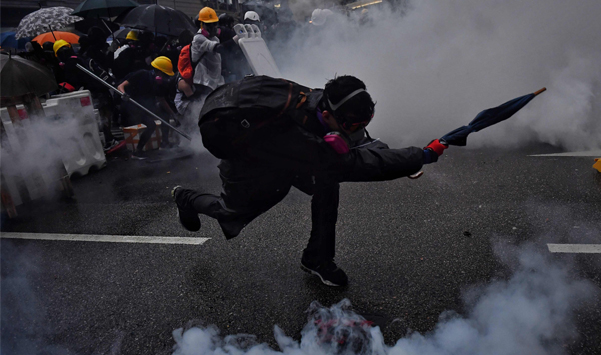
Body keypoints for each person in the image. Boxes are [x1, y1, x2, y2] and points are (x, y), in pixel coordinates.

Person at [171, 75, 448, 287]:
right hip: (247, 151)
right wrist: (418, 157)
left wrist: (391, 157)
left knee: (327, 184)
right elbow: (353, 164)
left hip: (271, 142)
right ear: (327, 116)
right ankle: (186, 198)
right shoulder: (297, 139)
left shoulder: (319, 100)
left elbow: (360, 142)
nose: (357, 131)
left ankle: (317, 258)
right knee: (233, 211)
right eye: (351, 126)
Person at [53, 40, 119, 150]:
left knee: (98, 118)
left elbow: (73, 82)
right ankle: (109, 138)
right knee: (105, 115)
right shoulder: (80, 58)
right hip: (102, 89)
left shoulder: (70, 64)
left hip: (92, 92)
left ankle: (106, 140)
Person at [117, 56, 179, 159]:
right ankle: (137, 152)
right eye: (164, 74)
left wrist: (173, 114)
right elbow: (120, 86)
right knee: (151, 125)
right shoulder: (142, 74)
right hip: (132, 105)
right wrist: (124, 94)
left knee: (164, 114)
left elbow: (161, 100)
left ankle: (165, 143)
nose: (165, 77)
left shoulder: (159, 84)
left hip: (145, 106)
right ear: (158, 72)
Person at [190, 7, 236, 99]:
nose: (213, 27)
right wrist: (234, 40)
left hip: (215, 81)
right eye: (209, 24)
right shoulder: (199, 38)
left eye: (215, 24)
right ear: (202, 24)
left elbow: (217, 58)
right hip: (203, 82)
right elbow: (219, 48)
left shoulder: (214, 38)